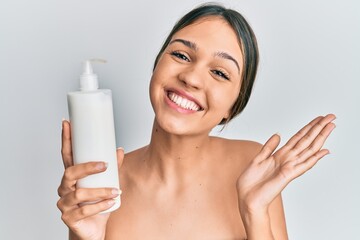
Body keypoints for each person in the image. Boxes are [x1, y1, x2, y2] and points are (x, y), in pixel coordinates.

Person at [57, 3, 336, 240]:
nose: (191, 78)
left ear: (234, 106)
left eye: (219, 73)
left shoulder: (252, 165)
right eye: (181, 55)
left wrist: (255, 213)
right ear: (157, 65)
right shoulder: (104, 189)